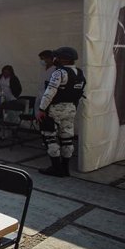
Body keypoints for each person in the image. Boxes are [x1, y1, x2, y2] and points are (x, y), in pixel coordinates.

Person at [36, 46, 86, 177]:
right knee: (67, 139)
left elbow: (50, 92)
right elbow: (80, 92)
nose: (55, 59)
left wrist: (41, 109)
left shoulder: (59, 73)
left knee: (49, 138)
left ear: (63, 59)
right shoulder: (80, 73)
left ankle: (56, 168)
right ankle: (65, 169)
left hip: (55, 109)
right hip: (71, 109)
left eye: (57, 56)